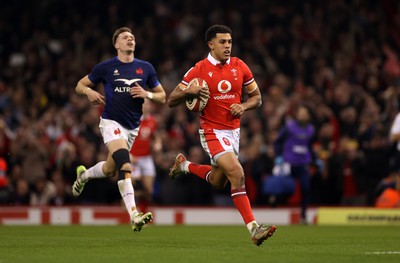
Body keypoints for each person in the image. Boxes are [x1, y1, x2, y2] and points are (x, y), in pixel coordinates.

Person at [167, 24, 276, 246]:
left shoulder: (240, 66)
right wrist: (189, 91)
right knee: (237, 172)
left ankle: (184, 166)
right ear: (211, 44)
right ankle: (254, 228)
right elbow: (171, 100)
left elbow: (258, 98)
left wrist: (244, 106)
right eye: (223, 42)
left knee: (218, 181)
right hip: (211, 131)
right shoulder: (198, 69)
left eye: (230, 42)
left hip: (233, 133)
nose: (228, 46)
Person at [72, 27, 166, 232]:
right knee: (125, 165)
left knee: (109, 169)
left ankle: (84, 176)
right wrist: (88, 91)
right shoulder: (106, 67)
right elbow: (79, 84)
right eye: (125, 37)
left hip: (132, 128)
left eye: (132, 37)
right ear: (117, 44)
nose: (130, 39)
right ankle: (134, 215)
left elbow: (162, 96)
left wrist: (147, 94)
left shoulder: (146, 68)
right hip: (111, 123)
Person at [273, 105, 317, 224]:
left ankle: (303, 216)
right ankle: (276, 209)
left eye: (305, 113)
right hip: (288, 162)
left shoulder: (311, 130)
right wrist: (278, 156)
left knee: (306, 188)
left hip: (303, 163)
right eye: (300, 113)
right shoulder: (289, 126)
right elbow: (278, 142)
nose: (302, 115)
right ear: (296, 114)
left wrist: (315, 159)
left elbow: (310, 146)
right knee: (286, 188)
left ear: (308, 116)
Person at [129, 99, 159, 212]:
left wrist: (157, 144)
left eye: (148, 104)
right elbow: (124, 138)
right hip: (133, 158)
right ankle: (132, 212)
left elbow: (155, 136)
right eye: (144, 103)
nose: (146, 106)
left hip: (146, 158)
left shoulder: (153, 121)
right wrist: (128, 154)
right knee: (133, 186)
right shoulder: (132, 120)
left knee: (149, 190)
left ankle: (144, 212)